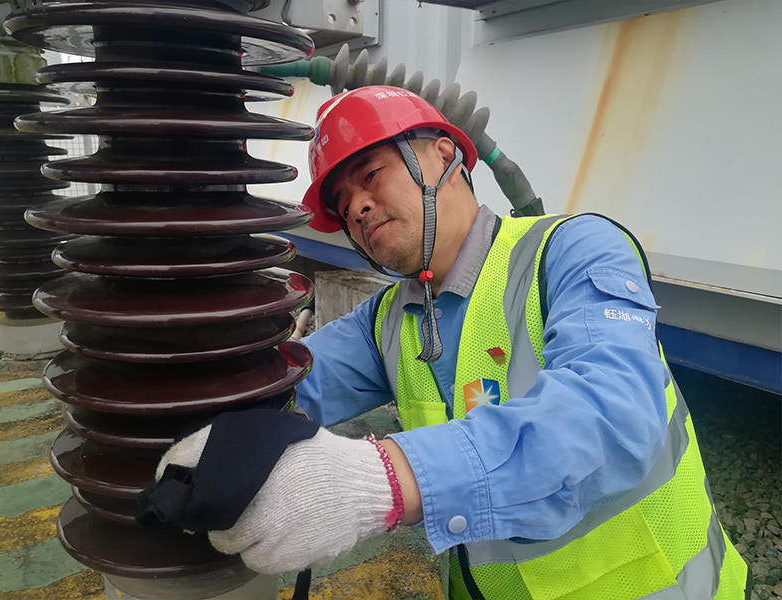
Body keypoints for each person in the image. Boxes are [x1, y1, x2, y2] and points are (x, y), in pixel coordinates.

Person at [143, 86, 750, 599]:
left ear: (443, 155)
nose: (357, 207)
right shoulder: (388, 320)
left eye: (370, 175)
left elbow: (616, 415)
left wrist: (384, 481)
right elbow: (284, 381)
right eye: (341, 204)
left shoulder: (572, 250)